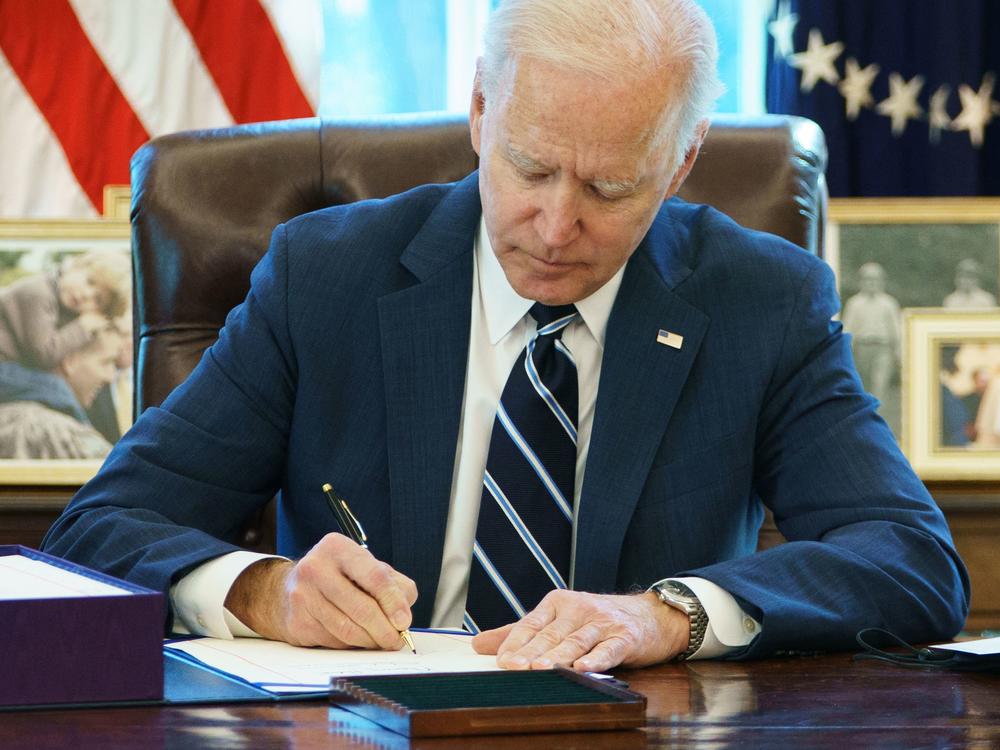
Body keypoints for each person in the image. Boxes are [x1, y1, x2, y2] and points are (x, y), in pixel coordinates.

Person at [42, 0, 967, 672]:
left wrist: (672, 615)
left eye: (610, 189)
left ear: (681, 163)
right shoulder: (326, 275)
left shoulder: (762, 300)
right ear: (482, 111)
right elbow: (99, 531)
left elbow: (909, 559)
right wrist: (257, 591)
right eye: (529, 167)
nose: (556, 226)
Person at [0, 251, 130, 424]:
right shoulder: (37, 293)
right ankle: (80, 439)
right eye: (89, 281)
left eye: (97, 300)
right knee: (55, 389)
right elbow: (44, 355)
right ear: (75, 266)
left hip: (9, 367)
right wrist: (83, 326)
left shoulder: (60, 302)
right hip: (4, 368)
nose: (86, 295)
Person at [0, 327, 122, 459]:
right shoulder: (56, 432)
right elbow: (123, 471)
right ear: (70, 361)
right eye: (106, 362)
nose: (111, 376)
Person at [841, 262, 901, 409]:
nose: (871, 283)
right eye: (867, 279)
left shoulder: (889, 303)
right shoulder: (854, 303)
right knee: (863, 386)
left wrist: (899, 353)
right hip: (862, 348)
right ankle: (864, 420)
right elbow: (848, 329)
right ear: (861, 281)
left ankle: (878, 418)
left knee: (879, 385)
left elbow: (897, 330)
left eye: (875, 279)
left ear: (882, 281)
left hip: (883, 349)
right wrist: (845, 352)